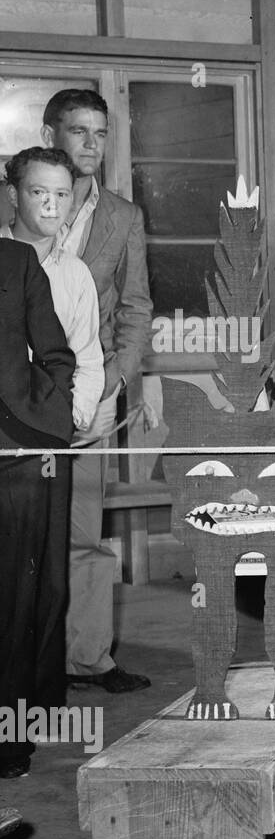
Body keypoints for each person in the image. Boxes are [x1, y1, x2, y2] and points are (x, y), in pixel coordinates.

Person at [42, 88, 153, 695]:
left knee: (84, 531)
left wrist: (114, 378)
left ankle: (87, 659)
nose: (91, 144)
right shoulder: (22, 203)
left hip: (92, 392)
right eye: (79, 131)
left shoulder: (124, 216)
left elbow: (136, 305)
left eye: (101, 133)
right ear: (51, 132)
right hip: (21, 393)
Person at [0, 237, 77, 778]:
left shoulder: (15, 260)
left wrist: (50, 411)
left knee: (15, 600)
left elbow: (55, 354)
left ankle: (9, 744)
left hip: (22, 450)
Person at [2, 147, 105, 432]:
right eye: (38, 192)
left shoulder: (76, 274)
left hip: (45, 435)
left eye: (62, 194)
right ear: (13, 195)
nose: (52, 205)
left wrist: (64, 420)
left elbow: (88, 361)